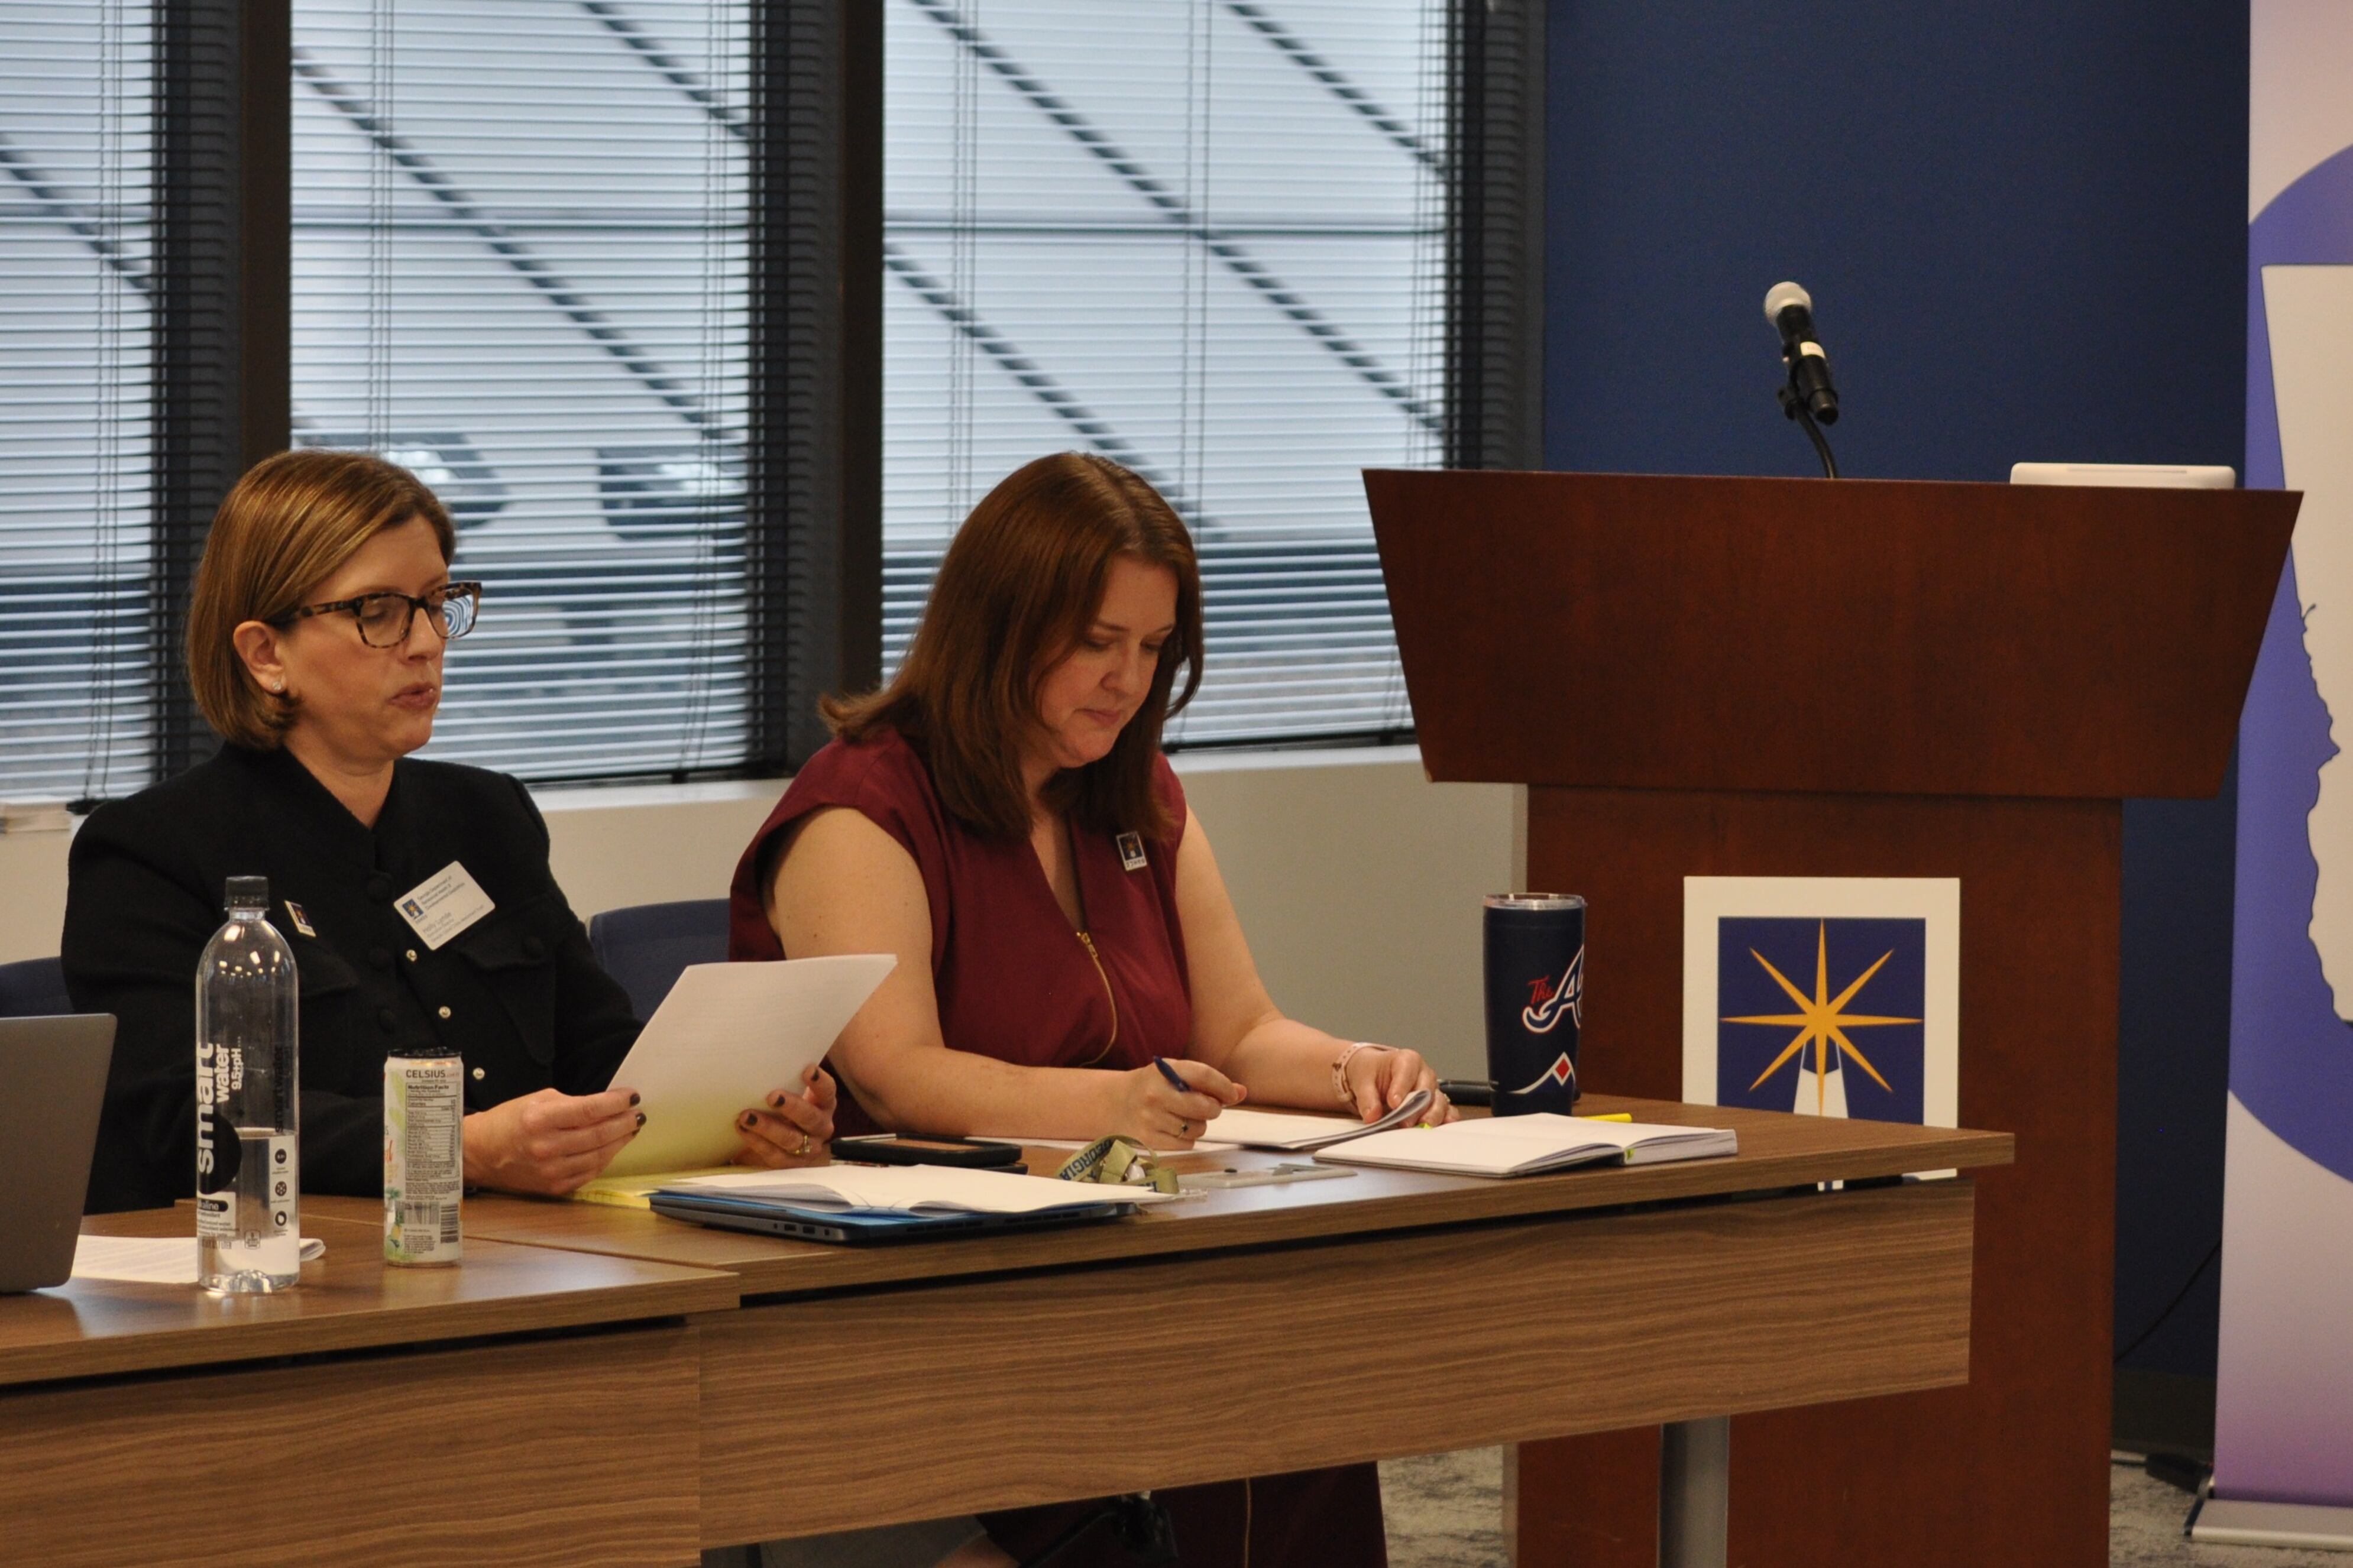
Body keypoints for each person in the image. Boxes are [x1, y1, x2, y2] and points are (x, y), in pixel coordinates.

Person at [729, 450, 1450, 1568]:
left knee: (1306, 1389)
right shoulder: (865, 803)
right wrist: (1110, 1103)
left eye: (1154, 649)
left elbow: (1241, 1034)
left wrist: (1360, 1066)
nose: (1128, 680)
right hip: (937, 1291)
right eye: (1099, 644)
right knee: (1212, 1414)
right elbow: (899, 1076)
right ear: (1000, 628)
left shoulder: (1138, 791)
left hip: (1128, 1252)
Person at [63, 448, 834, 1214]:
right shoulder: (152, 851)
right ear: (268, 655)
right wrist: (461, 1148)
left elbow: (601, 1052)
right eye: (378, 612)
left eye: (437, 603)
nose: (427, 641)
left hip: (542, 1253)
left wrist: (736, 1116)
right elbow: (189, 1124)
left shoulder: (486, 816)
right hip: (308, 1270)